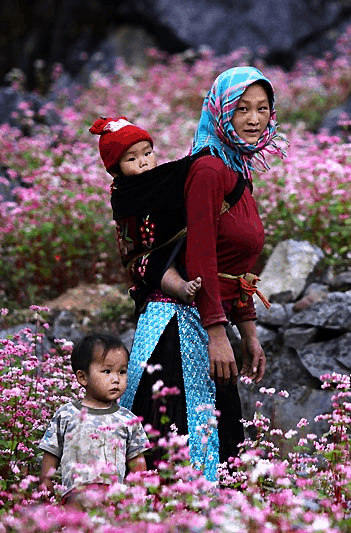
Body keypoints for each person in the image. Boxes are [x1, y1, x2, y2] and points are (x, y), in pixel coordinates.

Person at [119, 66, 287, 481]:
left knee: (218, 438)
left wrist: (248, 333)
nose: (253, 119)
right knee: (182, 444)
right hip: (179, 326)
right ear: (219, 111)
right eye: (241, 108)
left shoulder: (237, 168)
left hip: (207, 316)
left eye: (262, 108)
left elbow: (236, 264)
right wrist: (217, 332)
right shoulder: (209, 170)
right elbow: (202, 257)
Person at [90, 116, 202, 305]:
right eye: (132, 158)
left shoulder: (159, 177)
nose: (143, 162)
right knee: (157, 267)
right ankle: (181, 288)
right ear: (116, 170)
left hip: (175, 241)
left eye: (148, 153)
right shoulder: (124, 193)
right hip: (144, 254)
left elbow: (180, 170)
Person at [39, 333, 150, 509]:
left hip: (114, 496)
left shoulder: (128, 419)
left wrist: (139, 490)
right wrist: (46, 480)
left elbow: (136, 458)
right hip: (75, 495)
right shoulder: (66, 414)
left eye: (122, 371)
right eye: (107, 371)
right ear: (83, 377)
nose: (116, 379)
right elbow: (51, 451)